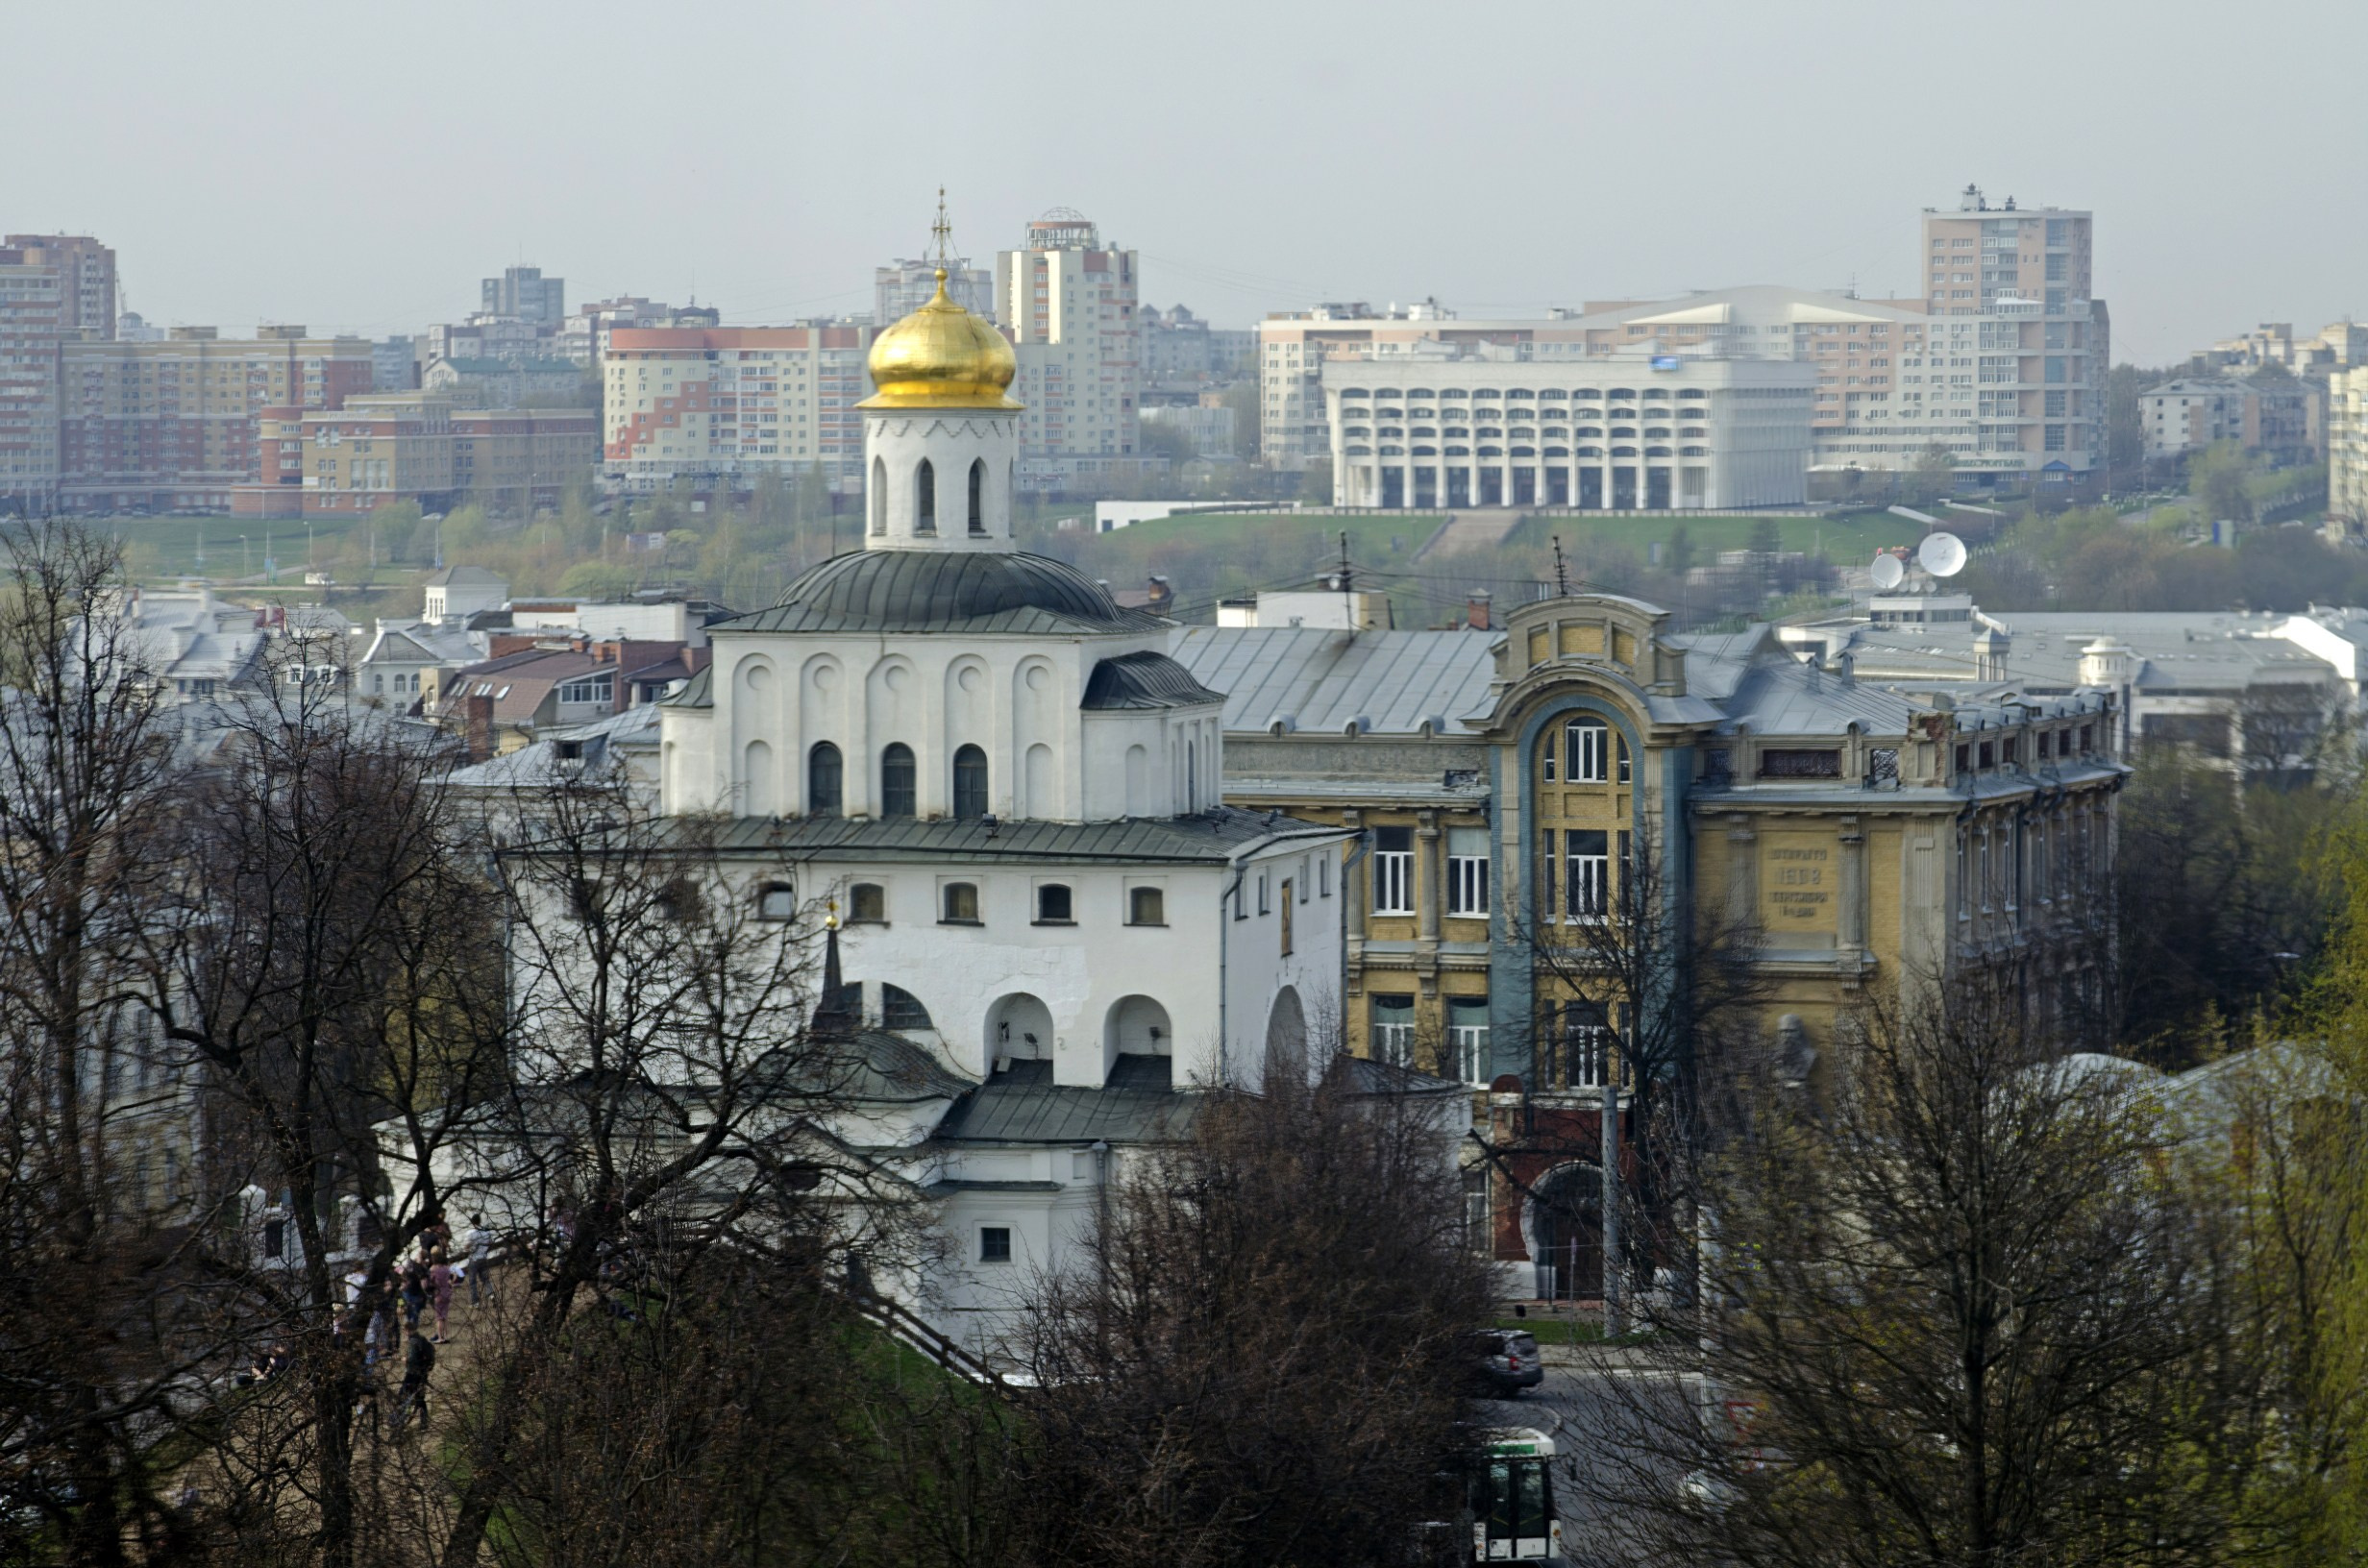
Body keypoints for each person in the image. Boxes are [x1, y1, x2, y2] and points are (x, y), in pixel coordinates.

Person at [391, 1328, 435, 1433]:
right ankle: (424, 1423)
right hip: (423, 1374)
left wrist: (403, 1359)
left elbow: (412, 1359)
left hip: (412, 1375)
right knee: (420, 1399)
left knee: (404, 1396)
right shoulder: (422, 1340)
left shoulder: (413, 1342)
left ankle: (398, 1421)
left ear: (407, 1331)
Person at [465, 1213, 493, 1306]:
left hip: (474, 1259)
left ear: (472, 1222)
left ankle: (475, 1302)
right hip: (484, 1258)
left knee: (473, 1281)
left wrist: (470, 1247)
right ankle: (491, 1295)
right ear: (480, 1221)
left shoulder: (470, 1233)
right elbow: (490, 1243)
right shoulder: (486, 1232)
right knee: (485, 1279)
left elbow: (466, 1247)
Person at [428, 1250, 455, 1343]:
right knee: (444, 1316)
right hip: (447, 1292)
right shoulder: (447, 1268)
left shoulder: (433, 1269)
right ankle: (446, 1336)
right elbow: (452, 1278)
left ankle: (440, 1337)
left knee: (439, 1317)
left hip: (438, 1293)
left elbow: (429, 1282)